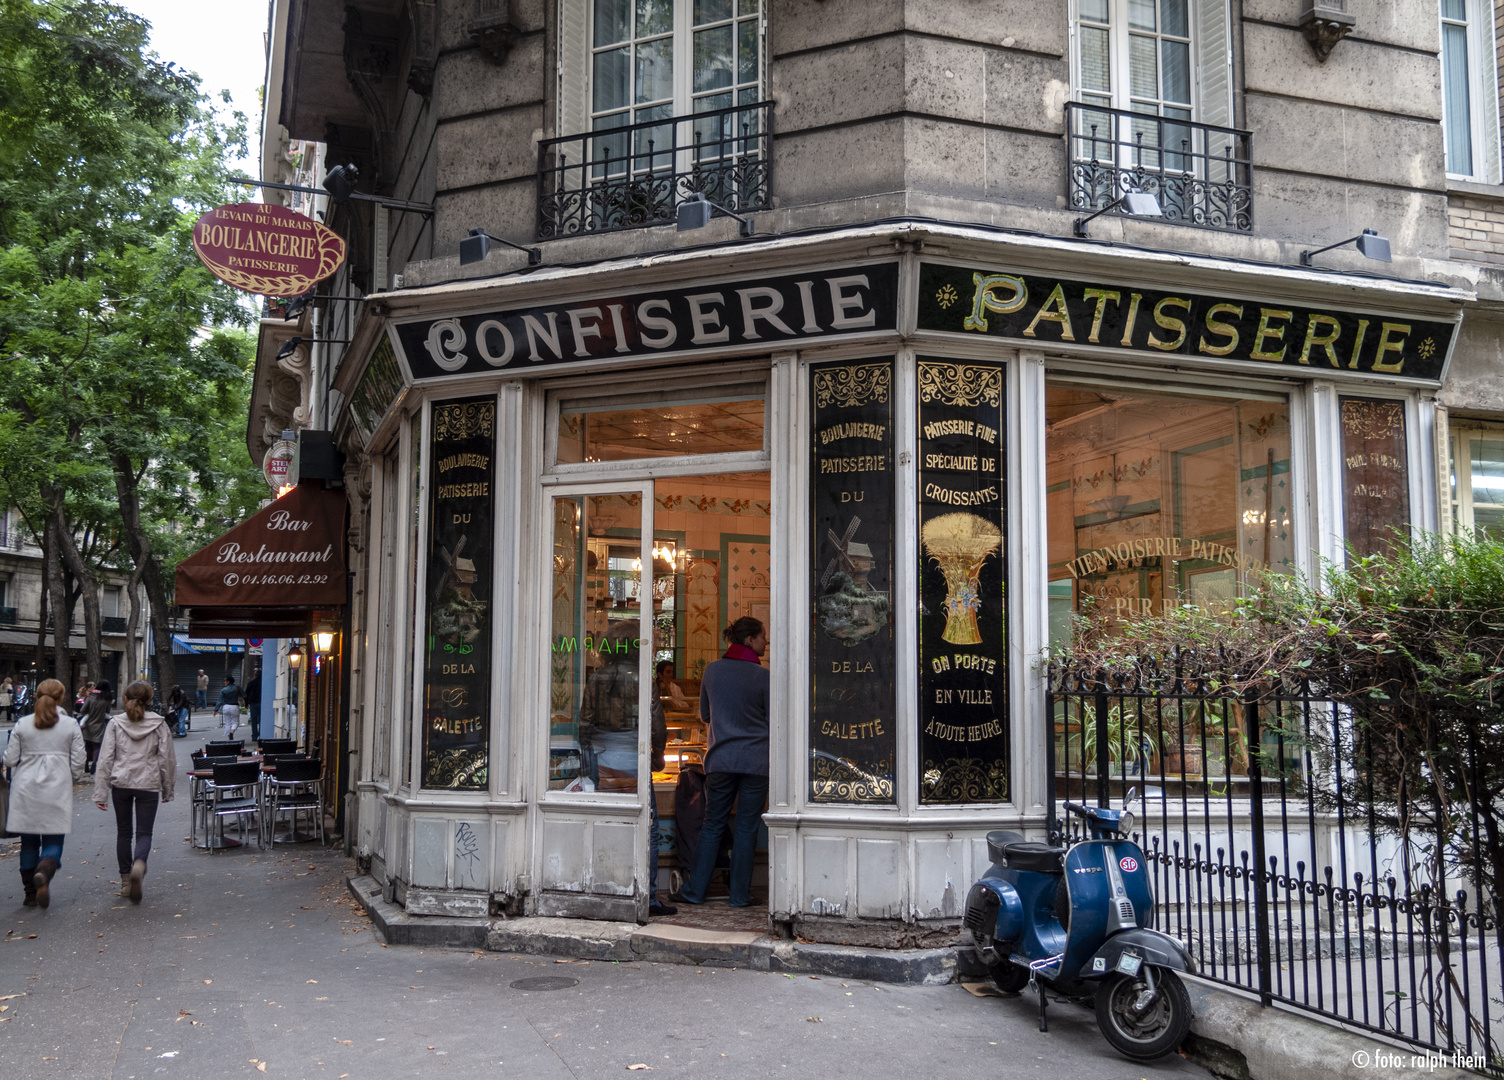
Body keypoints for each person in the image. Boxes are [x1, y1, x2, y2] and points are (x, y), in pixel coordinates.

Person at [578, 621, 674, 917]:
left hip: (603, 761)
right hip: (635, 759)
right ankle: (649, 895)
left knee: (608, 822)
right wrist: (658, 755)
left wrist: (587, 761)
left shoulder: (597, 678)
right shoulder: (644, 678)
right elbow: (656, 725)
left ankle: (607, 885)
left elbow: (585, 723)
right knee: (650, 826)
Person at [673, 617, 769, 909]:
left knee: (712, 824)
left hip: (720, 759)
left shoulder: (712, 671)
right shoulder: (763, 677)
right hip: (755, 761)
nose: (766, 641)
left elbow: (704, 715)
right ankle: (739, 895)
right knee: (746, 828)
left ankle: (695, 891)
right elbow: (774, 720)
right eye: (763, 636)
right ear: (750, 640)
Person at [2, 679, 85, 908]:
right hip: (56, 787)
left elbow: (9, 759)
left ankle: (30, 893)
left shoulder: (23, 723)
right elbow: (79, 761)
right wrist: (73, 778)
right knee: (54, 838)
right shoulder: (70, 724)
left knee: (28, 843)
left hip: (24, 788)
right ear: (60, 698)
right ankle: (44, 873)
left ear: (37, 696)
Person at [93, 681, 175, 903]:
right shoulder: (159, 723)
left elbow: (105, 758)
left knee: (124, 832)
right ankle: (140, 863)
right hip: (148, 783)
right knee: (144, 833)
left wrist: (101, 792)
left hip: (121, 783)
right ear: (149, 700)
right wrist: (168, 788)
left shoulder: (116, 724)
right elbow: (166, 758)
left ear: (126, 699)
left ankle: (126, 881)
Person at [79, 679, 112, 775]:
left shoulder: (91, 697)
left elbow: (83, 710)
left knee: (87, 746)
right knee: (96, 746)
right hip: (99, 724)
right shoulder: (107, 699)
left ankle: (85, 765)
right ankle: (94, 764)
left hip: (88, 724)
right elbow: (108, 712)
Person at [243, 672, 261, 741]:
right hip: (261, 702)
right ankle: (261, 734)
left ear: (255, 675)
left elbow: (246, 694)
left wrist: (246, 703)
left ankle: (254, 736)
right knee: (261, 719)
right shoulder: (263, 683)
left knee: (253, 720)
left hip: (253, 703)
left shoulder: (251, 683)